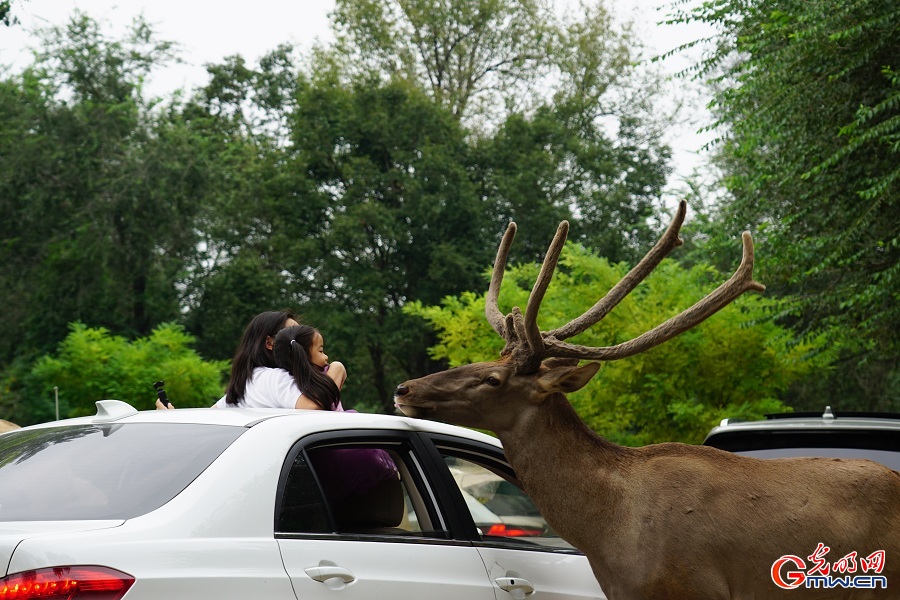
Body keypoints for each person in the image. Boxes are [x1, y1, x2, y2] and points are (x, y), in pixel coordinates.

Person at [156, 310, 301, 409]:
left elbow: (207, 420)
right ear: (269, 343)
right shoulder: (274, 379)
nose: (307, 339)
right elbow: (315, 406)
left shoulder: (246, 385)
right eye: (295, 335)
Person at [271, 324, 348, 410]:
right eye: (321, 351)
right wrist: (337, 368)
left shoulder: (288, 386)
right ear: (304, 356)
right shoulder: (325, 376)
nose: (326, 357)